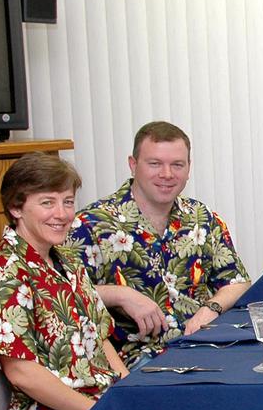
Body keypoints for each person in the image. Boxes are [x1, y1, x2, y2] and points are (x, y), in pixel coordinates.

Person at [0, 153, 129, 410]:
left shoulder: (67, 260)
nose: (62, 214)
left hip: (100, 403)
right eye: (47, 203)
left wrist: (128, 394)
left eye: (68, 202)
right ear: (16, 208)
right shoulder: (3, 274)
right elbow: (22, 374)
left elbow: (100, 340)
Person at [67, 121, 251, 368]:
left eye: (177, 165)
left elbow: (237, 281)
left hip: (203, 347)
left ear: (188, 168)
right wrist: (121, 295)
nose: (167, 174)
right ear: (133, 165)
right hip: (136, 360)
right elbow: (65, 294)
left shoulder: (202, 217)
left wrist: (210, 309)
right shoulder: (91, 224)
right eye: (155, 164)